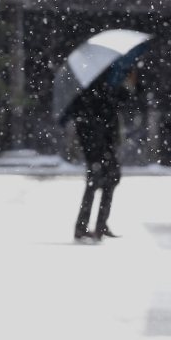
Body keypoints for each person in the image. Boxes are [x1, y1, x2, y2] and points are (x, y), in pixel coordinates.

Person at [67, 85, 122, 241]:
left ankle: (96, 224)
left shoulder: (97, 92)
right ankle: (86, 225)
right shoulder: (92, 94)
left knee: (106, 180)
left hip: (100, 145)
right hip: (98, 146)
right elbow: (91, 123)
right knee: (98, 181)